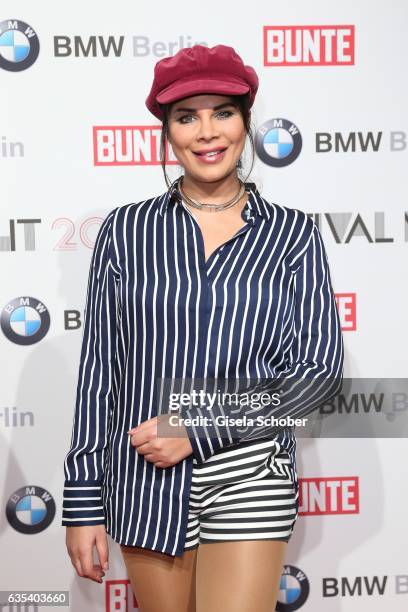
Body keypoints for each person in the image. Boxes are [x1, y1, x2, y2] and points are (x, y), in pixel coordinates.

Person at [62, 44, 344, 612]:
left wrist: (199, 427)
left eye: (223, 112)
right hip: (145, 472)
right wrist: (82, 502)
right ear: (167, 135)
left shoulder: (292, 236)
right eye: (186, 117)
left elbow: (318, 375)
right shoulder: (126, 231)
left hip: (251, 467)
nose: (207, 132)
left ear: (246, 122)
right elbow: (101, 373)